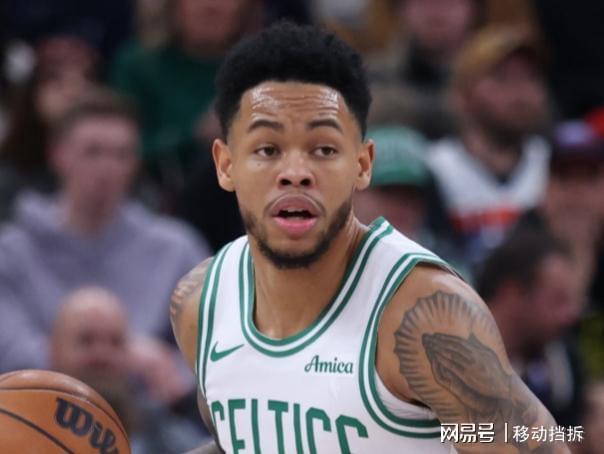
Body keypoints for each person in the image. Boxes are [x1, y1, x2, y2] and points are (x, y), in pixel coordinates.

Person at [169, 22, 568, 453]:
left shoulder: (424, 315)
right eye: (268, 149)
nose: (296, 172)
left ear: (363, 164)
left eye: (324, 149)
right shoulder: (200, 304)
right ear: (225, 165)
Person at [0, 89, 210, 403]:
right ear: (58, 154)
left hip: (151, 417)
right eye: (93, 152)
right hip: (36, 411)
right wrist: (115, 356)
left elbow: (210, 351)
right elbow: (10, 354)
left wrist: (173, 371)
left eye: (121, 154)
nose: (107, 167)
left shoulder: (177, 249)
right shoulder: (10, 253)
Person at [428, 25, 550, 265]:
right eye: (502, 78)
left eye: (530, 77)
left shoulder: (558, 167)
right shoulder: (432, 168)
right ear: (461, 94)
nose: (520, 92)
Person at [50, 286, 210, 454]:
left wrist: (182, 404)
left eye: (115, 342)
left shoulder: (157, 431)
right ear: (54, 350)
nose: (102, 355)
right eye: (86, 341)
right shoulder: (31, 422)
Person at [476, 231, 585, 426]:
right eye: (558, 300)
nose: (571, 314)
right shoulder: (449, 362)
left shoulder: (563, 362)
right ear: (511, 294)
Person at [368, 0, 484, 139]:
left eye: (450, 2)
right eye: (424, 2)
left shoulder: (494, 78)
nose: (436, 12)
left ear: (473, 9)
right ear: (401, 9)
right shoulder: (368, 77)